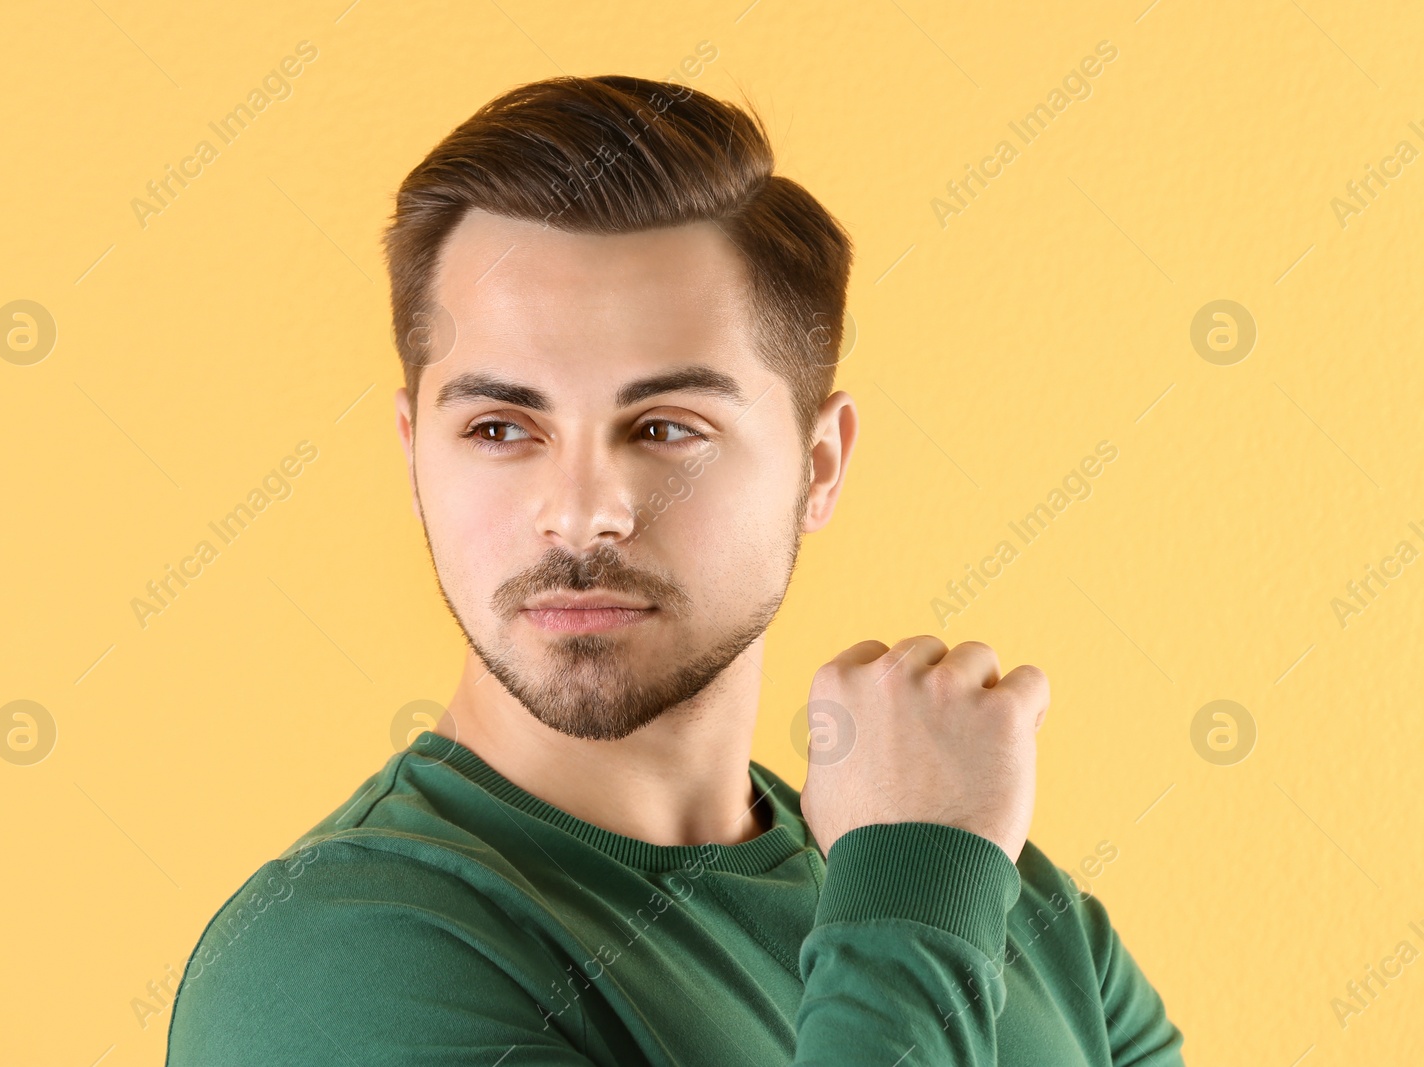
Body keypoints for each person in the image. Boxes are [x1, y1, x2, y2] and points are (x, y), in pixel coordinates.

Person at [165, 73, 1185, 1066]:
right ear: (412, 453)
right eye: (498, 426)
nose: (581, 510)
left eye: (663, 427)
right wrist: (916, 889)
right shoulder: (332, 963)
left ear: (817, 464)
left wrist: (930, 873)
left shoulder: (994, 892)